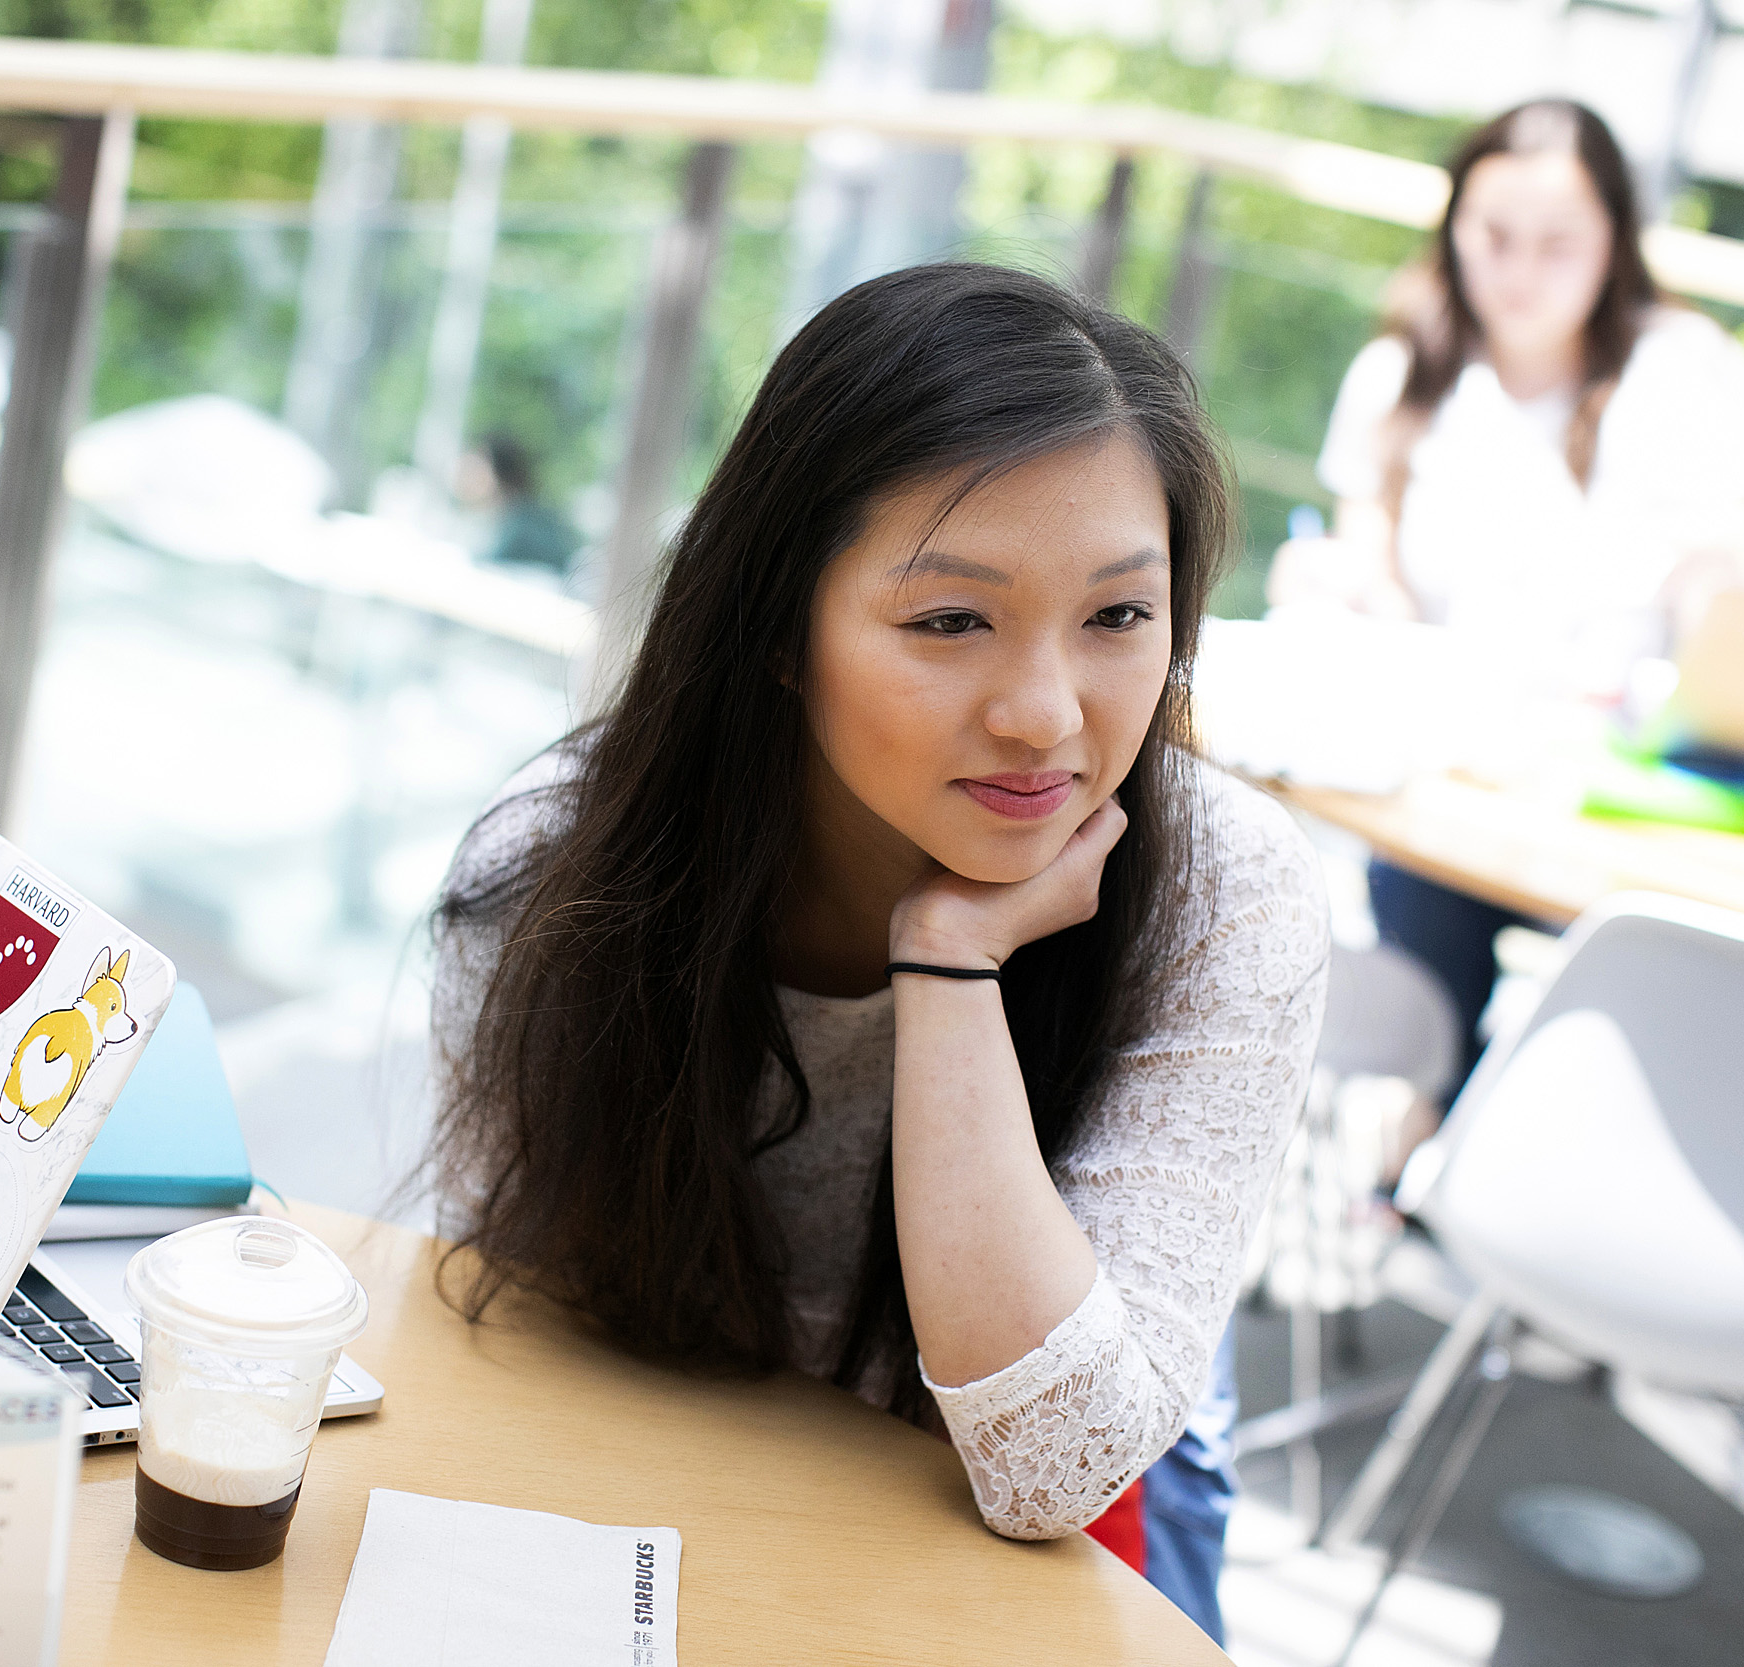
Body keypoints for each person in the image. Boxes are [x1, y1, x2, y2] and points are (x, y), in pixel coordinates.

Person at [428, 264, 1330, 1642]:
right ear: (782, 630)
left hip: (1059, 1539)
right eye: (950, 620)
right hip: (659, 1501)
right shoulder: (556, 865)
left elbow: (1056, 1468)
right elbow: (514, 1338)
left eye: (1118, 616)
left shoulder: (1225, 890)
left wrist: (952, 959)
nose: (1046, 714)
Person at [1269, 99, 1744, 1109]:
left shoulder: (1684, 373)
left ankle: (1462, 1156)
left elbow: (1740, 610)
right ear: (1453, 227)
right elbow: (1369, 575)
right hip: (1448, 773)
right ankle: (1428, 1163)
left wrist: (1703, 576)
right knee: (1426, 971)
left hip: (1618, 793)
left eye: (1558, 244)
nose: (1520, 271)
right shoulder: (1402, 371)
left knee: (1627, 1018)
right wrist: (1332, 586)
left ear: (1612, 245)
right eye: (1494, 237)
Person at [457, 432, 580, 576]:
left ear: (498, 473)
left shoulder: (522, 523)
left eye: (476, 469)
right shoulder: (505, 517)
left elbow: (485, 566)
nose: (465, 477)